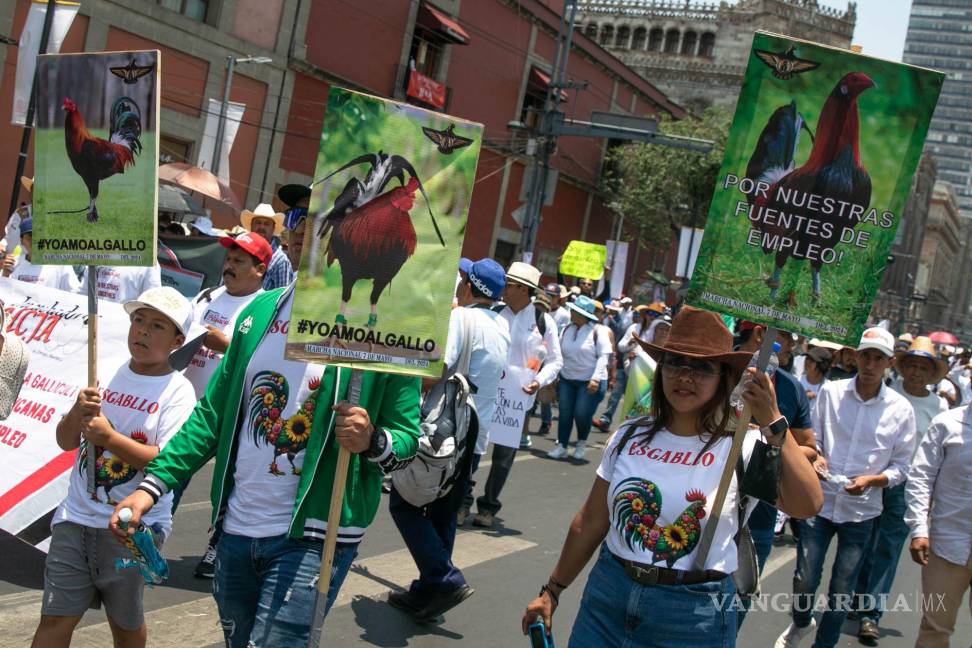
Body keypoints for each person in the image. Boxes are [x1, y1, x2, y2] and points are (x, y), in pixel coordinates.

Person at [110, 282, 421, 647]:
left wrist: (373, 439)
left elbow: (407, 440)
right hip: (236, 531)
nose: (306, 231)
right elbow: (212, 415)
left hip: (316, 535)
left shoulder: (388, 324)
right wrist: (152, 486)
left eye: (326, 223)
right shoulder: (259, 312)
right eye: (297, 222)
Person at [522, 306, 822, 648]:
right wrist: (552, 591)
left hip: (693, 614)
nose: (685, 376)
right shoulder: (629, 435)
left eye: (701, 368)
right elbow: (590, 521)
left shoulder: (746, 444)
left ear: (724, 377)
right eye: (675, 363)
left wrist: (774, 422)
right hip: (608, 597)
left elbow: (807, 504)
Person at [31, 287, 196, 648]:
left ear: (177, 341)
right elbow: (66, 440)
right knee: (55, 616)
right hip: (74, 519)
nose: (142, 331)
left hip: (133, 531)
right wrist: (78, 411)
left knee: (124, 621)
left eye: (157, 326)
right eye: (138, 320)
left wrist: (109, 438)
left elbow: (170, 462)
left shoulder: (178, 392)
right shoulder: (103, 370)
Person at [775, 327, 916, 648]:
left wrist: (873, 481)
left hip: (862, 510)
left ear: (889, 363)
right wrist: (818, 460)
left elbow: (901, 468)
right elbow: (814, 441)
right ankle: (801, 620)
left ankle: (824, 644)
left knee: (842, 587)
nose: (870, 364)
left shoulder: (900, 409)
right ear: (855, 356)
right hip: (819, 500)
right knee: (805, 578)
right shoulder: (831, 392)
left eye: (878, 358)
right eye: (865, 355)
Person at [389, 258, 509, 621]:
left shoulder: (461, 318)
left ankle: (444, 578)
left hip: (444, 434)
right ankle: (430, 591)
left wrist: (399, 377)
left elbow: (437, 369)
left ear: (470, 288)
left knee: (404, 504)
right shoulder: (501, 324)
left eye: (462, 280)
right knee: (443, 515)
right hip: (473, 435)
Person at [179, 232, 269, 577]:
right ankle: (149, 539)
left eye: (239, 262)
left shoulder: (265, 307)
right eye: (228, 260)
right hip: (192, 409)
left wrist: (226, 346)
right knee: (170, 475)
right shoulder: (207, 296)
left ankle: (218, 547)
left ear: (259, 270)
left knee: (232, 483)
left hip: (236, 412)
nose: (229, 267)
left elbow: (263, 358)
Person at [854, 336, 948, 644]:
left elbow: (939, 454)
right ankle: (857, 598)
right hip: (877, 478)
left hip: (910, 486)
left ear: (931, 373)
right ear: (902, 367)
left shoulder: (939, 406)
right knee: (863, 541)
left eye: (924, 368)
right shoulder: (887, 396)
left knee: (889, 548)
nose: (917, 373)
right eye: (913, 366)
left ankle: (871, 613)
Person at [732, 322, 816, 630]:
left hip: (757, 524)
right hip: (701, 513)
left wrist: (769, 434)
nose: (792, 345)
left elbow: (809, 450)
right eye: (786, 337)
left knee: (729, 618)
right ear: (760, 334)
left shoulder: (789, 387)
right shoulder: (714, 371)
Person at [468, 262, 562, 527]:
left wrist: (539, 381)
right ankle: (462, 502)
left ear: (523, 289)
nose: (503, 289)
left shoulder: (543, 322)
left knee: (503, 456)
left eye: (508, 285)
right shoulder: (496, 313)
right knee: (473, 446)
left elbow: (555, 361)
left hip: (517, 399)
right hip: (487, 391)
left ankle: (487, 507)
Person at [904, 405, 971, 648]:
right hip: (947, 545)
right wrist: (919, 529)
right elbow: (921, 477)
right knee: (935, 628)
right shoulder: (947, 424)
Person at [547, 295, 612, 461]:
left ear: (582, 314)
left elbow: (604, 357)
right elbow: (559, 353)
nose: (571, 313)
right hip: (568, 379)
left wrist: (596, 379)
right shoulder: (568, 329)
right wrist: (554, 375)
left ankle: (581, 443)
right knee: (565, 412)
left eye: (574, 311)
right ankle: (561, 445)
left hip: (589, 381)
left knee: (581, 413)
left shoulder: (598, 332)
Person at [2, 218, 80, 291]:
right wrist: (5, 275)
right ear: (21, 240)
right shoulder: (12, 264)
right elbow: (3, 294)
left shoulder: (60, 265)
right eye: (30, 235)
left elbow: (74, 295)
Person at [241, 203, 293, 290]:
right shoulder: (241, 252)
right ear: (251, 226)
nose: (261, 227)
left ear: (273, 229)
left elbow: (282, 299)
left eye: (266, 224)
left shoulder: (280, 261)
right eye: (258, 222)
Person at [79, 263, 162, 304]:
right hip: (91, 328)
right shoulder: (95, 256)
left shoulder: (147, 262)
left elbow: (152, 304)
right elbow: (82, 297)